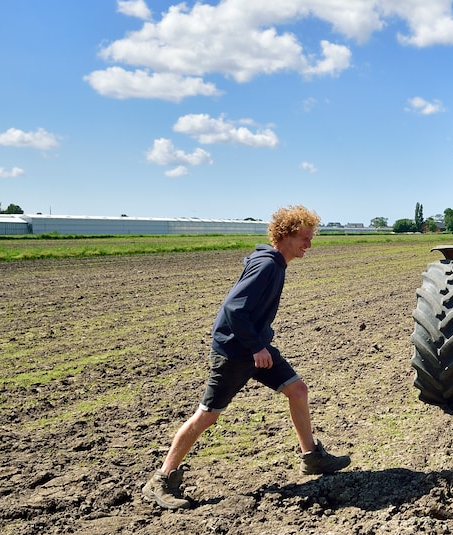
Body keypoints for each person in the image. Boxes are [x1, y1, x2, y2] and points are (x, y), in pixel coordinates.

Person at [142, 204, 349, 510]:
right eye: (304, 238)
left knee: (298, 390)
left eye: (310, 238)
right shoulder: (267, 265)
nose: (309, 244)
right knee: (207, 416)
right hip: (236, 352)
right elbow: (233, 310)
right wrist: (255, 347)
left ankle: (312, 457)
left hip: (256, 348)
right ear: (286, 236)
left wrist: (259, 346)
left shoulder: (275, 263)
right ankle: (162, 479)